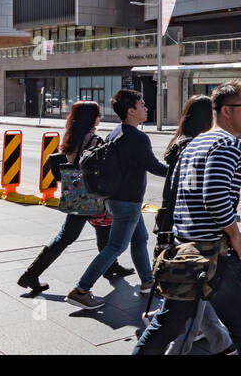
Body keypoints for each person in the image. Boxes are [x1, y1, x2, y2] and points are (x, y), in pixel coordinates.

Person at [134, 80, 241, 354]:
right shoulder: (226, 143)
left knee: (167, 325)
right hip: (214, 253)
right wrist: (234, 233)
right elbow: (215, 197)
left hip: (187, 249)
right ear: (224, 111)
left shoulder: (197, 142)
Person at [66, 89, 168, 309]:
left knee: (139, 239)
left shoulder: (117, 131)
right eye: (142, 105)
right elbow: (154, 166)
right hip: (127, 202)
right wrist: (180, 170)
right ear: (131, 111)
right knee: (115, 247)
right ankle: (81, 290)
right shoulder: (137, 137)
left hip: (117, 199)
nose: (146, 108)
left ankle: (148, 283)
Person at [17, 101, 130, 293]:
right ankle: (31, 274)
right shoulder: (93, 140)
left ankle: (111, 266)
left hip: (75, 190)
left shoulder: (71, 137)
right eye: (97, 114)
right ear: (92, 118)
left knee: (103, 229)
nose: (99, 117)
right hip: (89, 193)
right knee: (68, 236)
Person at [153, 94, 229, 354]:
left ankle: (221, 341)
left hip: (174, 224)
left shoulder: (180, 143)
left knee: (195, 295)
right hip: (191, 230)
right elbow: (199, 193)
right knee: (189, 299)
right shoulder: (195, 145)